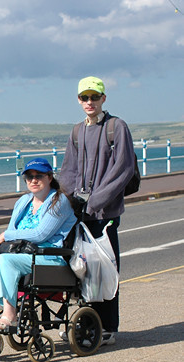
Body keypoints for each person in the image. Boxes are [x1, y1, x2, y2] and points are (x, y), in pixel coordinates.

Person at [58, 76, 136, 346]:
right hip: (80, 214)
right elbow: (68, 170)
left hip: (105, 215)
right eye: (84, 97)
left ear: (103, 98)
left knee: (105, 269)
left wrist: (95, 202)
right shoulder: (77, 131)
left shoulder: (117, 127)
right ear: (79, 100)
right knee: (80, 269)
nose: (89, 102)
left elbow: (122, 169)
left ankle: (108, 328)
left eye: (94, 97)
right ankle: (87, 321)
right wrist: (64, 202)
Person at [0, 158, 76, 330]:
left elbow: (40, 234)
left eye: (38, 176)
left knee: (5, 261)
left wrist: (4, 235)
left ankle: (10, 315)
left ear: (49, 177)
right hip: (22, 255)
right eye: (29, 177)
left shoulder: (59, 201)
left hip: (49, 257)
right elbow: (11, 232)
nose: (33, 180)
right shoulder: (23, 201)